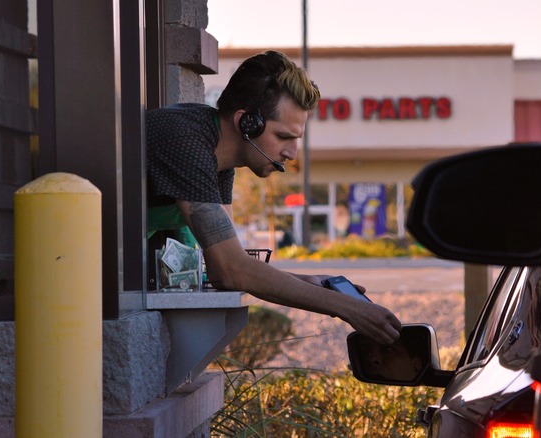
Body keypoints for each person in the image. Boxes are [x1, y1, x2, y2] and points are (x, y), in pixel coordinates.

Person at [146, 50, 401, 345]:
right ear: (246, 123)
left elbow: (227, 262)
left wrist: (309, 282)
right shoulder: (187, 143)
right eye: (283, 137)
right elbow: (231, 270)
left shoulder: (220, 159)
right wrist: (347, 308)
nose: (292, 153)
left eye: (296, 140)